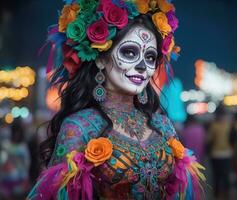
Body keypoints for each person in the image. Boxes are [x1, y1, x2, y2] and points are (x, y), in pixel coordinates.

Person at [28, 0, 205, 199]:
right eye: (129, 52)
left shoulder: (162, 124)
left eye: (150, 57)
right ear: (101, 58)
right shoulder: (79, 126)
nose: (142, 66)